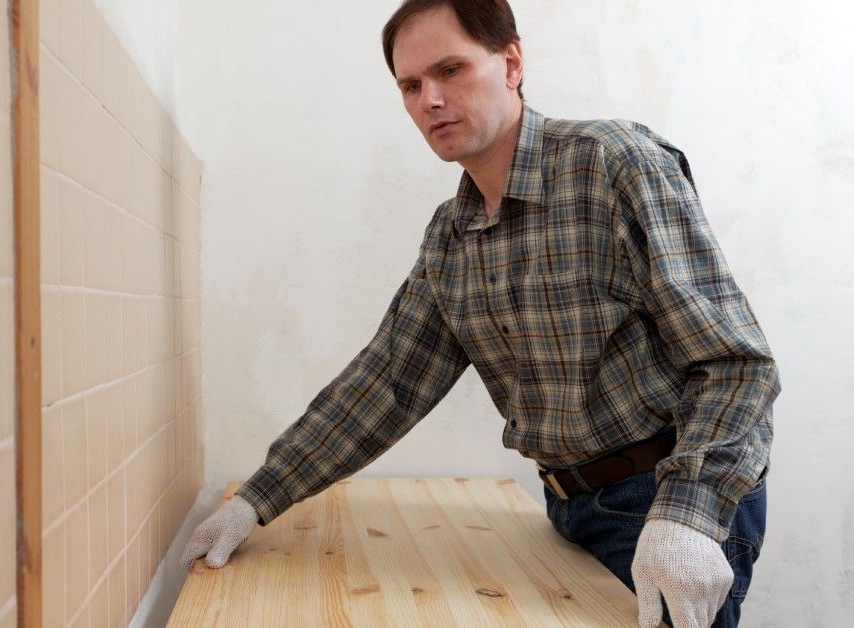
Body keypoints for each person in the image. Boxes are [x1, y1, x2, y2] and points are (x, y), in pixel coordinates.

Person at [180, 1, 778, 626]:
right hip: (567, 507)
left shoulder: (614, 164)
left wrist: (688, 514)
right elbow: (387, 382)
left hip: (671, 498)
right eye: (410, 85)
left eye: (451, 70)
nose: (430, 99)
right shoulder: (452, 234)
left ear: (512, 62)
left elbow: (736, 365)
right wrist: (258, 497)